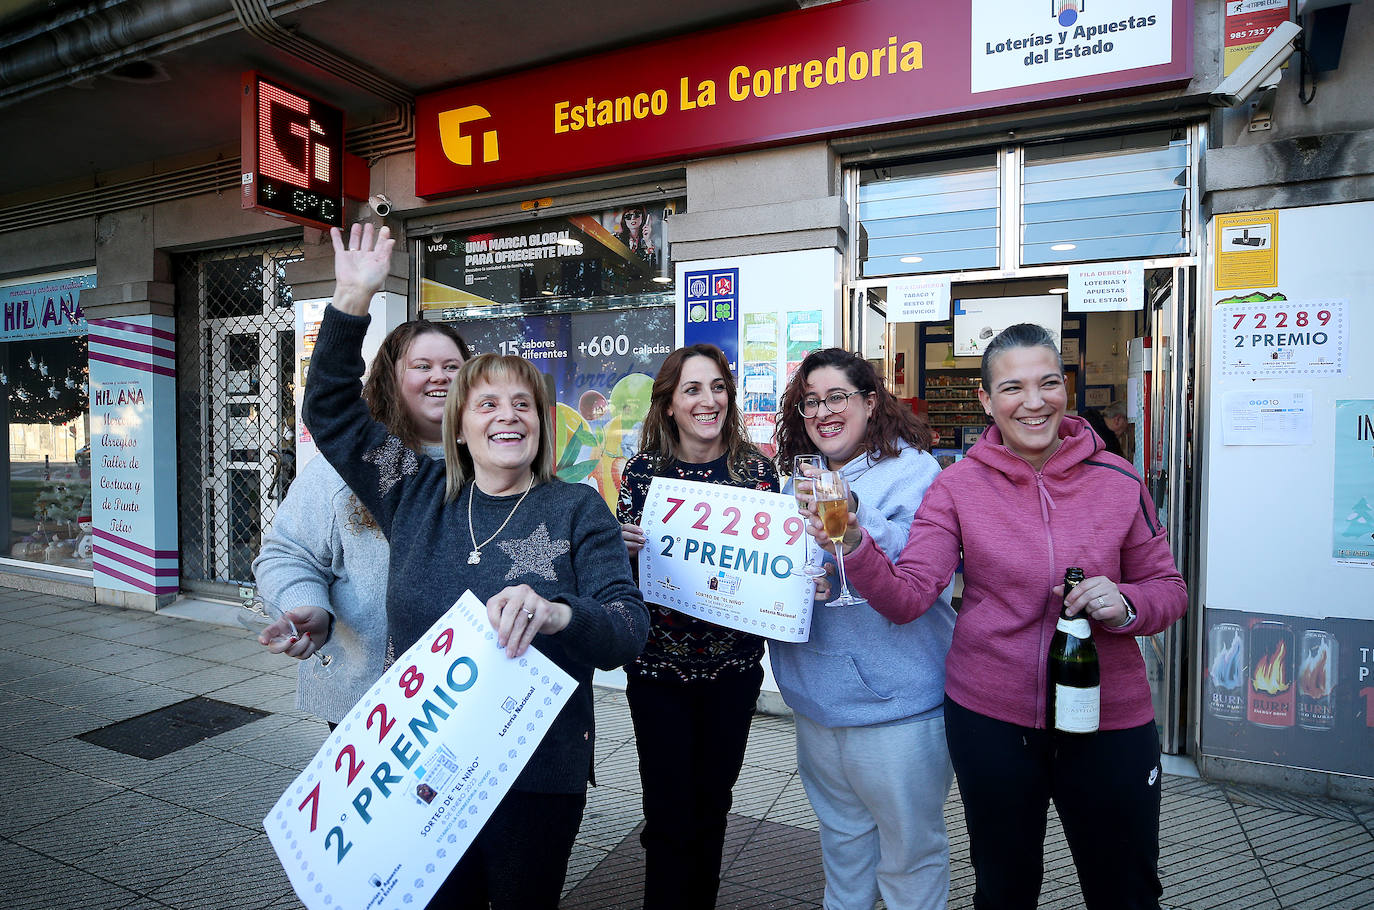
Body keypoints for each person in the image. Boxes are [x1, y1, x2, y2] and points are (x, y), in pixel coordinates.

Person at [303, 223, 649, 909]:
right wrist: (350, 299)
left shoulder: (578, 509)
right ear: (459, 423)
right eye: (487, 403)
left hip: (538, 772)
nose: (507, 417)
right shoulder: (414, 491)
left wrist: (557, 613)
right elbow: (331, 409)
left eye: (523, 403)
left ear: (542, 424)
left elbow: (626, 629)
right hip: (424, 765)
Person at [818, 323, 1187, 910]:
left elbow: (1169, 589)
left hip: (1109, 718)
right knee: (1003, 886)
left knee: (1125, 887)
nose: (1034, 402)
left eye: (1049, 383)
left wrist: (1128, 603)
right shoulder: (958, 485)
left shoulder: (1119, 480)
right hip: (991, 719)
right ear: (987, 401)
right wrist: (857, 541)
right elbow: (909, 595)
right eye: (1013, 387)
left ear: (1066, 388)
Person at [771, 348, 957, 910]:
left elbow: (915, 571)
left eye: (837, 397)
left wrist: (854, 514)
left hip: (898, 712)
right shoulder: (797, 480)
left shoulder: (917, 471)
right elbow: (793, 572)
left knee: (909, 862)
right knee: (844, 858)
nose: (823, 411)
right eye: (810, 402)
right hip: (817, 706)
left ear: (870, 402)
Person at [616, 344, 778, 910]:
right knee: (665, 810)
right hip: (657, 670)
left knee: (713, 804)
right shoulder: (642, 473)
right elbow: (619, 574)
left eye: (717, 387)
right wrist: (621, 549)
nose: (708, 400)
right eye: (692, 389)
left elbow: (770, 567)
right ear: (668, 406)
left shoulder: (758, 471)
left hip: (732, 671)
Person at [253, 319, 470, 729]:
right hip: (368, 700)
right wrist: (308, 608)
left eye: (452, 366)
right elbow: (286, 553)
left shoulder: (499, 464)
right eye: (421, 365)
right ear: (390, 379)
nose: (439, 376)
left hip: (469, 699)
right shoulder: (345, 468)